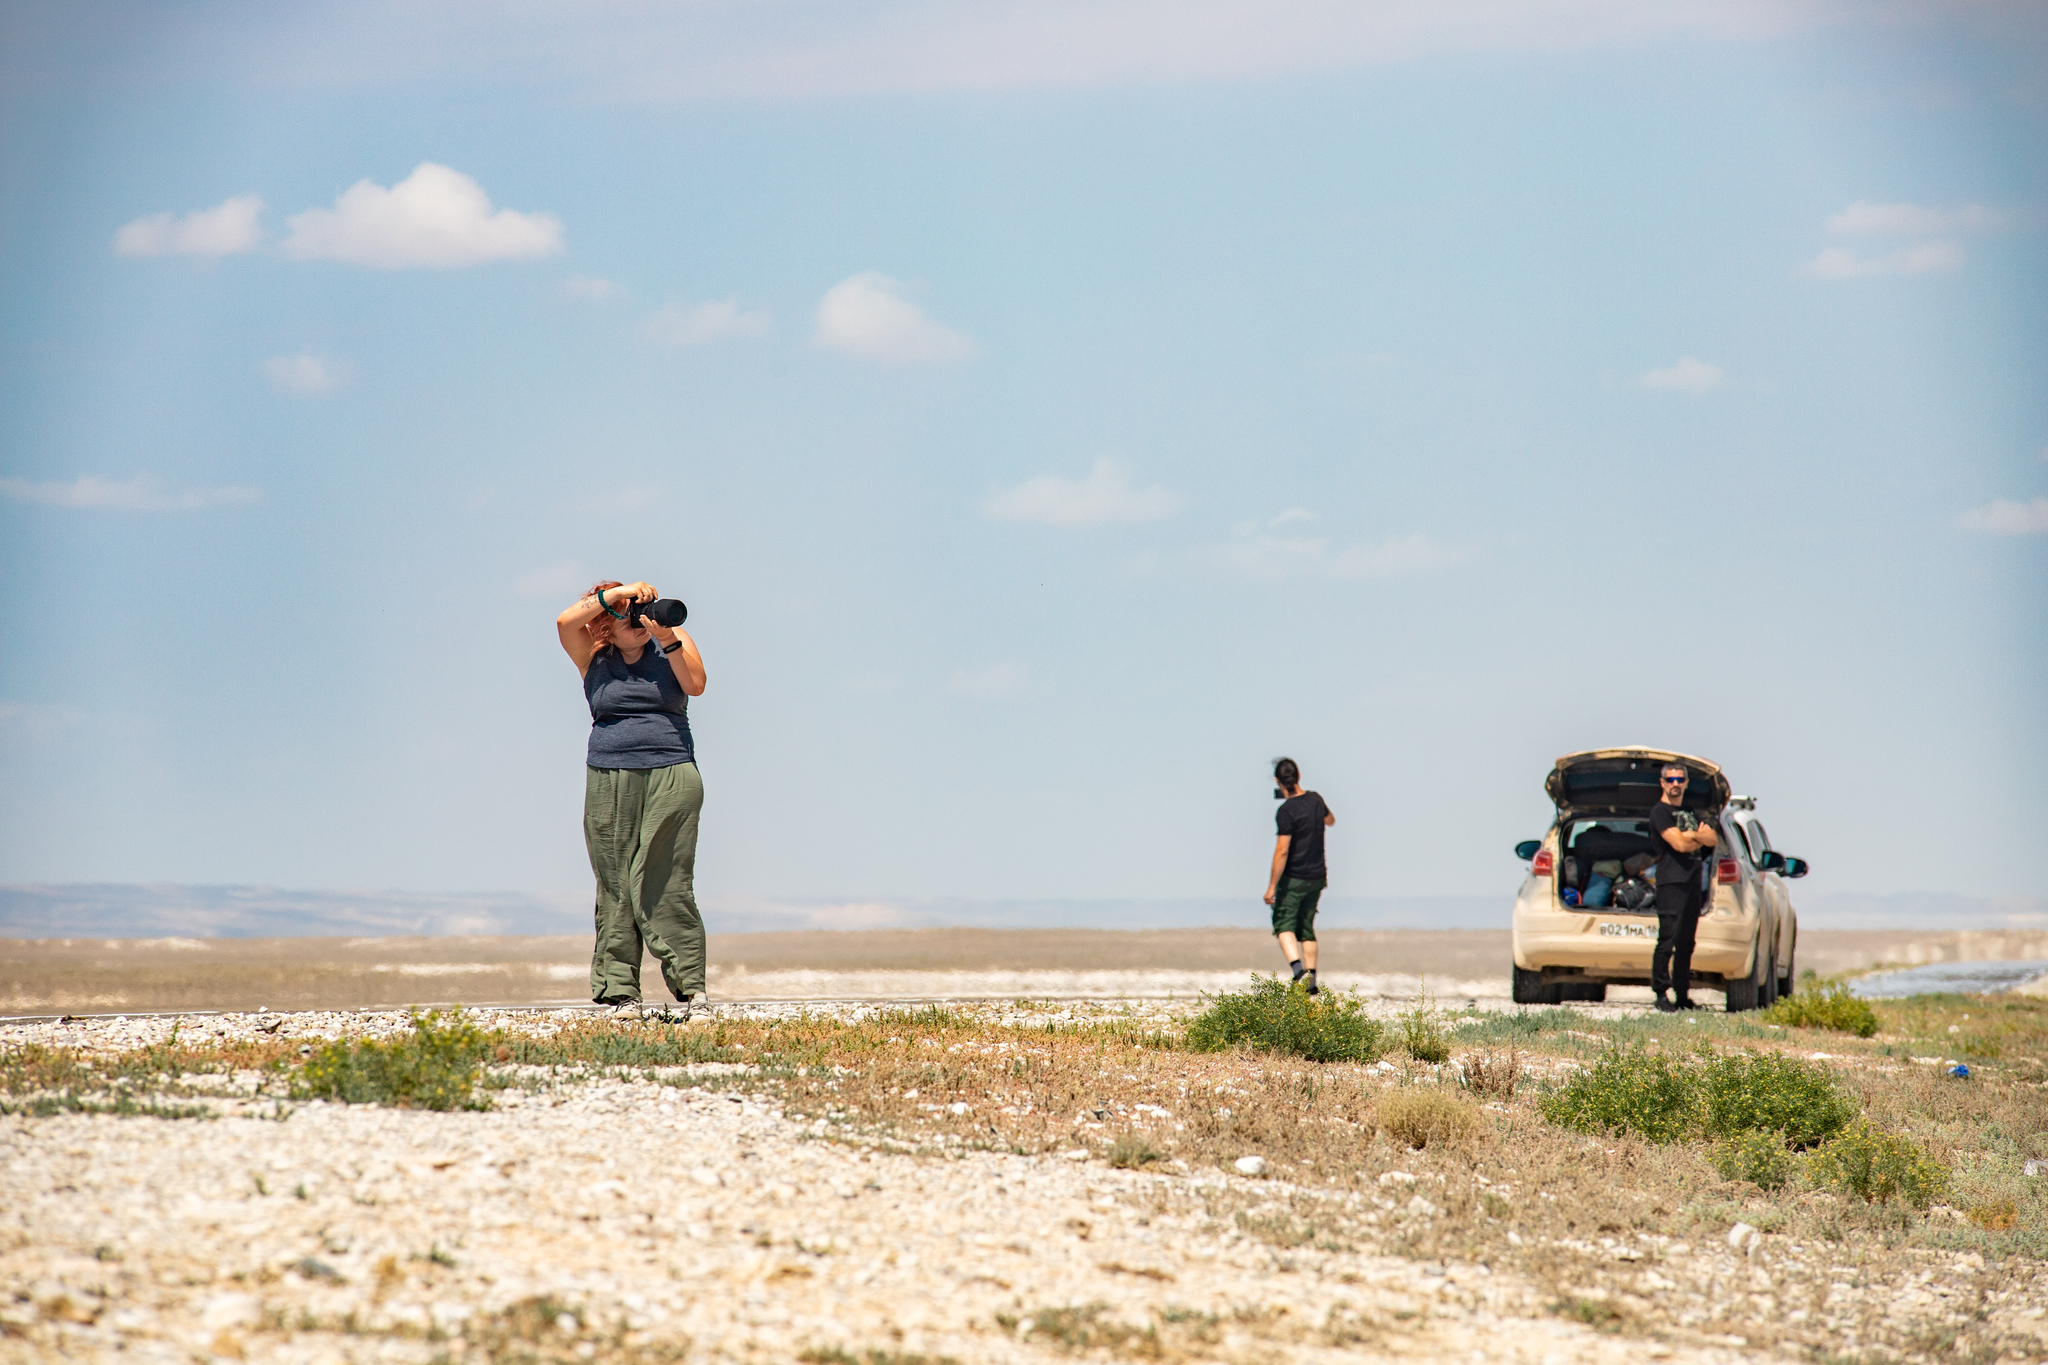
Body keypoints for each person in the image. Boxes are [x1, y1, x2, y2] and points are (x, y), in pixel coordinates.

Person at [555, 580, 710, 1021]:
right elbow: (566, 620)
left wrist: (669, 640)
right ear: (603, 623)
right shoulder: (592, 656)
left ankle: (692, 991)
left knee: (666, 880)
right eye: (626, 614)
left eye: (640, 610)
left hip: (672, 770)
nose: (637, 619)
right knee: (616, 882)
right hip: (608, 773)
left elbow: (695, 686)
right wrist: (617, 593)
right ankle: (620, 992)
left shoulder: (671, 641)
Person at [1645, 762, 1717, 1012]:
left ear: (1686, 783)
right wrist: (1694, 836)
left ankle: (1683, 995)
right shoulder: (1659, 812)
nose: (1675, 784)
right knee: (1667, 939)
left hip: (1694, 882)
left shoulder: (1690, 811)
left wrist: (1692, 836)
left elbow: (1713, 838)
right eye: (1670, 779)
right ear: (1662, 782)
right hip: (1671, 881)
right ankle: (1661, 994)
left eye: (1680, 780)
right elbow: (1679, 845)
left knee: (1687, 942)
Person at [1263, 757, 1335, 995]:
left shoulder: (1286, 812)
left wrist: (1272, 886)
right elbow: (1330, 820)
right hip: (1317, 875)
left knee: (1283, 923)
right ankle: (1312, 981)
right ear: (1299, 775)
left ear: (1277, 781)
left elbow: (1282, 850)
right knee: (1306, 927)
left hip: (1295, 877)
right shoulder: (1315, 800)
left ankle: (1298, 971)